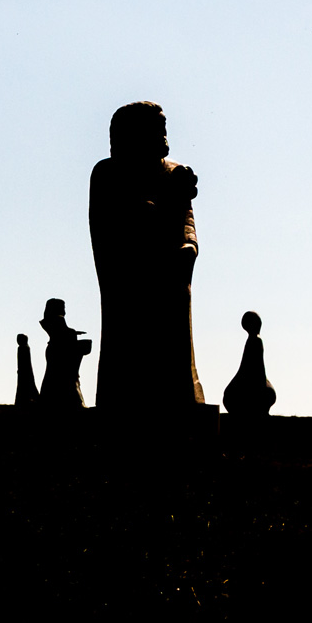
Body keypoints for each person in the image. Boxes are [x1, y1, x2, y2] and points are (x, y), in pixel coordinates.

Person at [88, 102, 204, 413]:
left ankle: (181, 393)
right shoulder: (109, 173)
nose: (163, 134)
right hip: (131, 276)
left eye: (164, 127)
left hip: (173, 273)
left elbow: (187, 222)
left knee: (175, 333)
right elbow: (112, 226)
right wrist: (149, 211)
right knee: (130, 335)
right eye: (156, 128)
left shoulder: (174, 172)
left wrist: (188, 247)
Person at [39, 298, 92, 410]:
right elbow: (65, 332)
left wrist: (73, 332)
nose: (64, 310)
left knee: (53, 376)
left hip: (54, 349)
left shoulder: (50, 320)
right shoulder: (58, 319)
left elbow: (61, 332)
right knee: (65, 378)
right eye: (63, 307)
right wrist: (73, 333)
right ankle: (69, 401)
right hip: (60, 350)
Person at [14, 334, 39, 407]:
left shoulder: (23, 348)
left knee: (26, 386)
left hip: (24, 372)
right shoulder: (24, 348)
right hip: (23, 371)